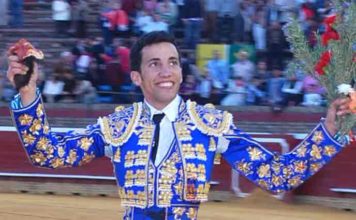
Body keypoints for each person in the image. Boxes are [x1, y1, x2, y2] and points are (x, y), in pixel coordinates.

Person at [7, 31, 353, 219]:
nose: (166, 71)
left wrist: (330, 128)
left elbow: (279, 176)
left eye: (172, 62)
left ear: (182, 73)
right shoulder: (118, 126)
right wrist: (28, 92)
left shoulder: (211, 125)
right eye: (155, 64)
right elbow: (46, 153)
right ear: (137, 77)